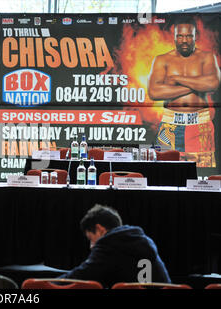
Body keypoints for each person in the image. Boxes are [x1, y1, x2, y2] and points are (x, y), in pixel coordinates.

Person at [147, 16, 221, 167]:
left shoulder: (206, 57)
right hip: (170, 125)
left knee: (202, 175)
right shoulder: (162, 60)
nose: (184, 40)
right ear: (174, 37)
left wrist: (176, 78)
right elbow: (154, 92)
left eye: (189, 36)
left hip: (200, 125)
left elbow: (213, 84)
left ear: (195, 37)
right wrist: (197, 85)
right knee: (166, 172)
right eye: (180, 36)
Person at [59, 204, 171, 288]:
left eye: (90, 238)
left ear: (99, 229)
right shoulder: (143, 240)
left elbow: (80, 277)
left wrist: (46, 284)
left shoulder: (109, 245)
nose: (91, 246)